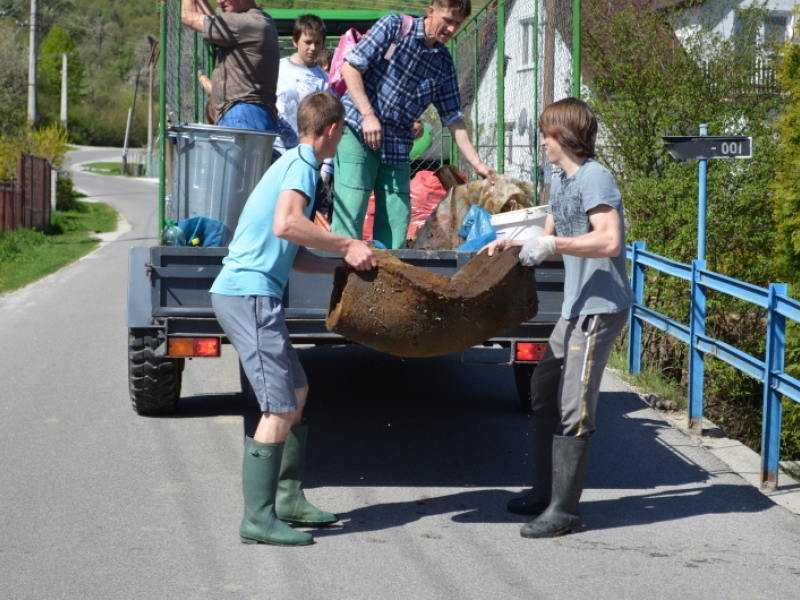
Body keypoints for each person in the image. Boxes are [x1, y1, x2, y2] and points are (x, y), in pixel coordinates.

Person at [210, 91, 376, 546]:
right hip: (249, 296)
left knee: (297, 391)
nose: (343, 137)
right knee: (279, 406)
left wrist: (343, 265)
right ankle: (258, 519)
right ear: (332, 130)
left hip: (252, 294)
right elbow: (287, 224)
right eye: (343, 130)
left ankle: (287, 499)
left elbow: (294, 251)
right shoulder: (302, 165)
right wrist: (345, 244)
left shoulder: (291, 164)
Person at [481, 97, 634, 538]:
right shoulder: (560, 178)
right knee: (542, 390)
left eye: (547, 134)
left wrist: (555, 247)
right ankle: (545, 490)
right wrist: (513, 243)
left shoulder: (596, 177)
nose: (543, 141)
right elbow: (550, 227)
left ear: (565, 136)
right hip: (574, 307)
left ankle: (565, 510)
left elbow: (608, 241)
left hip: (600, 308)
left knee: (574, 406)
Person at [331, 0, 496, 249]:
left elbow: (453, 117)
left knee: (397, 221)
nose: (451, 29)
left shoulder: (443, 64)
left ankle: (386, 279)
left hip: (397, 145)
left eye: (458, 24)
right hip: (358, 130)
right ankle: (338, 277)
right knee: (351, 213)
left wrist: (478, 164)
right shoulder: (394, 27)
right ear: (431, 11)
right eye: (448, 21)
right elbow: (350, 67)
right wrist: (368, 115)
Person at [273, 14, 335, 229]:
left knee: (302, 217)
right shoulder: (278, 71)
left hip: (309, 161)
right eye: (307, 42)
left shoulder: (324, 81)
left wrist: (326, 165)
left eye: (318, 43)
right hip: (278, 154)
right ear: (295, 41)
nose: (312, 48)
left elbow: (329, 124)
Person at [181, 0, 280, 131]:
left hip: (242, 116)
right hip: (253, 115)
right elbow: (216, 22)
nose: (219, 1)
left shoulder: (243, 23)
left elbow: (188, 16)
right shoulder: (260, 19)